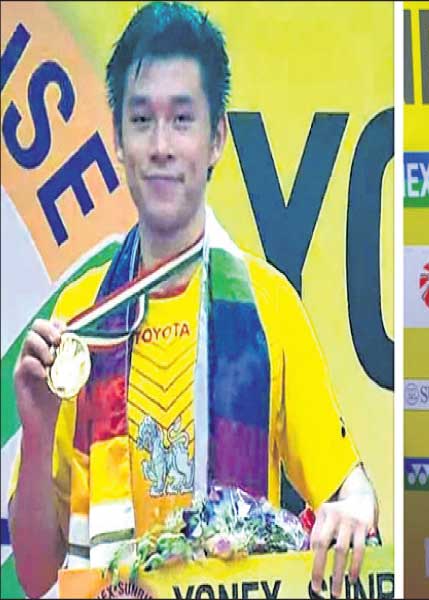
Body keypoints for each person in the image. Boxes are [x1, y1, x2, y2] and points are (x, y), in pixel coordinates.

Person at [8, 3, 376, 598]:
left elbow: (352, 492)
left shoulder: (268, 307)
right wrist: (37, 425)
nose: (161, 145)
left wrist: (353, 511)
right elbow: (33, 575)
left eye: (182, 119)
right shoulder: (75, 324)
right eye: (141, 120)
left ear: (216, 139)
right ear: (117, 140)